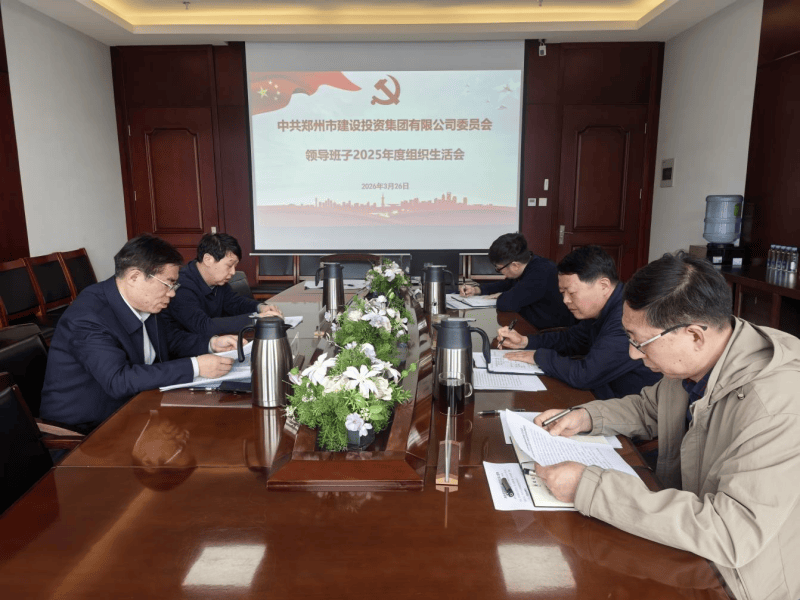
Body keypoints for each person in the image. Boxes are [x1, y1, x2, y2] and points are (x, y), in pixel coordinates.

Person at [533, 252, 800, 600]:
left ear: (694, 336)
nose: (633, 354)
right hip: (685, 542)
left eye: (640, 342)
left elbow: (731, 534)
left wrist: (590, 487)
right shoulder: (699, 361)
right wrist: (587, 416)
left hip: (737, 582)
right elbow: (650, 407)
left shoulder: (777, 407)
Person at [40, 234, 236, 433]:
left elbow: (170, 339)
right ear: (134, 277)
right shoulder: (87, 317)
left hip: (136, 410)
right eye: (168, 284)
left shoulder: (145, 301)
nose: (172, 293)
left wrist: (211, 343)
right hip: (88, 431)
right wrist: (196, 366)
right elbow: (118, 380)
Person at [497, 245, 660, 399]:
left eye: (572, 293)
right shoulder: (602, 308)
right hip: (603, 392)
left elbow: (585, 375)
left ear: (603, 285)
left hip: (627, 406)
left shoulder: (627, 319)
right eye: (562, 293)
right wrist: (525, 341)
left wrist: (539, 356)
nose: (566, 300)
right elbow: (572, 339)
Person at [165, 233, 282, 337]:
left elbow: (234, 303)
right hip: (187, 351)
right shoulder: (181, 286)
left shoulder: (217, 280)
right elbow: (203, 326)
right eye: (229, 265)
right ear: (208, 259)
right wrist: (255, 320)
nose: (233, 272)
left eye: (235, 266)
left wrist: (260, 307)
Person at [458, 233, 574, 330]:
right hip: (532, 325)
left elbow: (506, 303)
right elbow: (506, 284)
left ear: (515, 265)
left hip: (553, 333)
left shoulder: (540, 273)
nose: (500, 272)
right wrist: (477, 289)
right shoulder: (530, 263)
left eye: (499, 269)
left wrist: (503, 295)